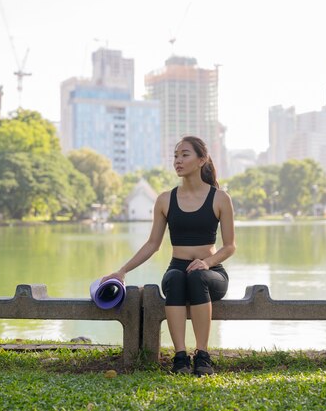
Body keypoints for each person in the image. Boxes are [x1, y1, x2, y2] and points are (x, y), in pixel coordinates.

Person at [100, 136, 236, 376]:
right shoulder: (165, 199)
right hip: (177, 269)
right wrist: (122, 271)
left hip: (211, 272)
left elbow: (229, 247)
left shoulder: (220, 198)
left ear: (201, 160)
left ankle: (203, 356)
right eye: (175, 156)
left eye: (185, 155)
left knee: (197, 277)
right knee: (175, 279)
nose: (178, 161)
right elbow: (152, 244)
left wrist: (206, 263)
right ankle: (180, 357)